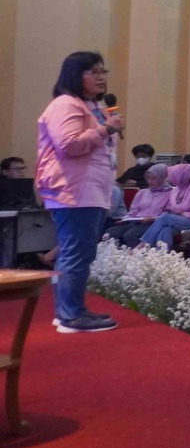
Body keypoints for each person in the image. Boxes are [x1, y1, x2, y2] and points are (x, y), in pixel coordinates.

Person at [35, 52, 123, 332]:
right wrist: (107, 128)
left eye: (103, 71)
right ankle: (71, 317)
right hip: (74, 189)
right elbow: (69, 145)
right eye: (93, 72)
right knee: (76, 251)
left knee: (80, 252)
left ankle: (71, 310)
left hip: (89, 189)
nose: (101, 77)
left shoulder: (90, 106)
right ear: (75, 75)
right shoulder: (65, 104)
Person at [136, 161, 190, 253]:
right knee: (165, 230)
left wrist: (182, 213)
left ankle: (143, 244)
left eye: (172, 175)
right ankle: (161, 258)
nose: (168, 178)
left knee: (166, 218)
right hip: (175, 222)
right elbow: (171, 210)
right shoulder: (175, 190)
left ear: (181, 176)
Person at [105, 162, 172, 247]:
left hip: (154, 222)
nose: (150, 181)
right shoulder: (142, 192)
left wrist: (152, 218)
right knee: (111, 232)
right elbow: (134, 209)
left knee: (130, 235)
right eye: (148, 178)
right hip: (136, 221)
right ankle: (121, 256)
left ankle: (142, 257)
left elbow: (169, 214)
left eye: (153, 178)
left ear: (163, 178)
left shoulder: (170, 193)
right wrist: (125, 219)